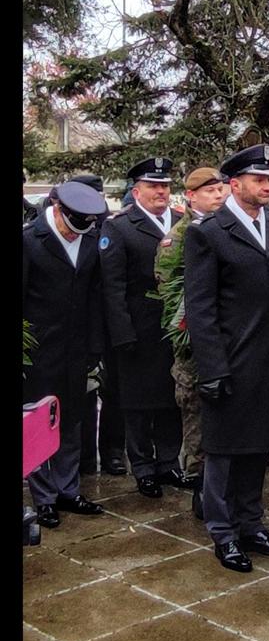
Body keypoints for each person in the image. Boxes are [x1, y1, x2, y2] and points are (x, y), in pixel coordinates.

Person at [183, 143, 269, 572]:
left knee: (259, 446)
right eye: (260, 179)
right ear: (236, 184)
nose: (268, 186)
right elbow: (200, 306)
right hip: (230, 360)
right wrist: (212, 367)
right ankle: (223, 532)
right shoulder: (208, 232)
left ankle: (251, 524)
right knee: (225, 452)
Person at [99, 156, 187, 499]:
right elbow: (113, 286)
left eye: (165, 186)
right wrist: (122, 334)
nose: (161, 192)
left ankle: (168, 462)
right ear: (136, 191)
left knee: (172, 398)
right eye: (153, 186)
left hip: (176, 326)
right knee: (138, 403)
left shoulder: (182, 222)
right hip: (139, 329)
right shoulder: (119, 227)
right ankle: (143, 467)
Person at [23, 181, 107, 527]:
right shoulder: (29, 240)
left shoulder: (88, 238)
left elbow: (95, 296)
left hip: (77, 349)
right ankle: (43, 498)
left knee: (72, 418)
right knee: (42, 421)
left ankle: (68, 489)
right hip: (39, 350)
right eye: (72, 227)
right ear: (58, 211)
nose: (76, 235)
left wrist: (95, 347)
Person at [155, 167, 228, 516]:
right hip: (193, 351)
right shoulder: (178, 239)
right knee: (198, 423)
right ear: (191, 197)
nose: (218, 195)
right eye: (209, 190)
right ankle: (201, 489)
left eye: (220, 188)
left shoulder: (226, 229)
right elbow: (173, 301)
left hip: (227, 346)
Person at [70, 172, 128, 479]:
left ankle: (112, 452)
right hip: (79, 324)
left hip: (106, 323)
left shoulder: (107, 228)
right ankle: (83, 457)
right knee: (83, 391)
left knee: (111, 390)